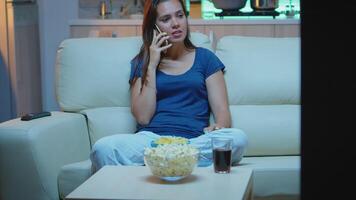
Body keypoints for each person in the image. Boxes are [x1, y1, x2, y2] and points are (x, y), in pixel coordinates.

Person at [90, 0, 248, 173]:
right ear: (154, 27)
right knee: (102, 148)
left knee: (238, 138)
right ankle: (176, 163)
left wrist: (218, 128)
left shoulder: (206, 58)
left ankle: (163, 164)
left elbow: (223, 113)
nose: (176, 23)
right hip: (151, 142)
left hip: (193, 142)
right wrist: (151, 65)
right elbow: (143, 117)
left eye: (180, 16)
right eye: (166, 19)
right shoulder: (142, 62)